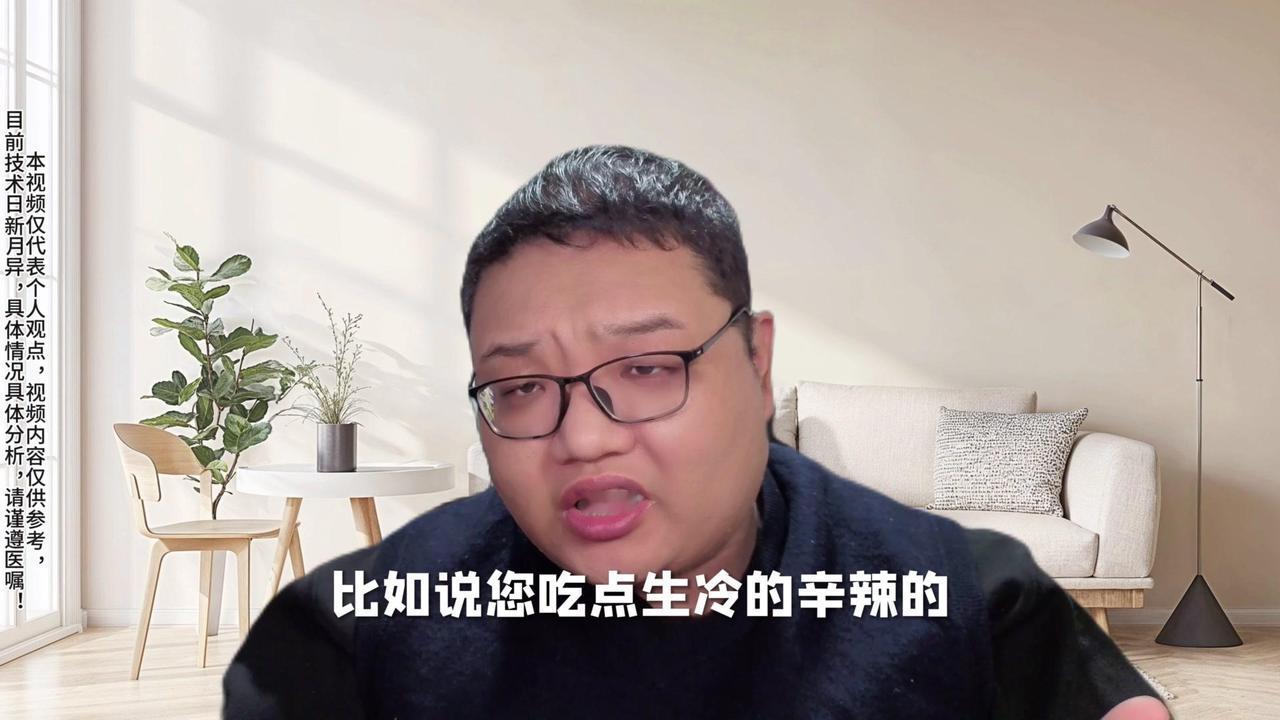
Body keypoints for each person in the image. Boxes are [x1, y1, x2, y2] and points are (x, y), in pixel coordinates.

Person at [223, 145, 1171, 720]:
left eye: (645, 368)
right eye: (520, 387)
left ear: (757, 366)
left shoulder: (971, 601)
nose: (582, 439)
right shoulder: (345, 639)